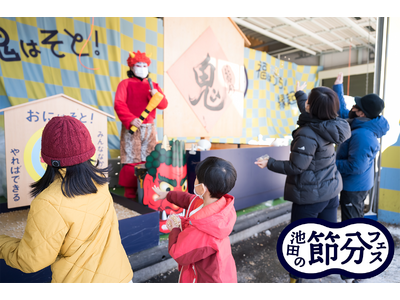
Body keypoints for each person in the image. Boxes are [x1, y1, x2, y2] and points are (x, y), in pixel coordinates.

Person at [0, 116, 133, 283]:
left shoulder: (48, 202)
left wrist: (2, 243)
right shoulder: (99, 181)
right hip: (121, 278)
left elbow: (31, 260)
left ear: (44, 159)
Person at [255, 82, 351, 283]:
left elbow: (296, 167)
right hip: (331, 190)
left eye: (308, 100)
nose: (305, 102)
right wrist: (300, 93)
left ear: (312, 107)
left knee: (298, 239)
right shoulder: (334, 124)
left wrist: (269, 163)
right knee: (327, 236)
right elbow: (310, 113)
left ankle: (296, 277)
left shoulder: (307, 133)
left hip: (310, 196)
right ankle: (328, 268)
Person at [333, 73, 389, 282]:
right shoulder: (363, 124)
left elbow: (355, 167)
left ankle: (355, 271)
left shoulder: (362, 135)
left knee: (352, 227)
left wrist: (329, 163)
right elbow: (343, 112)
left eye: (356, 107)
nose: (352, 108)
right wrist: (338, 87)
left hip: (354, 187)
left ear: (363, 113)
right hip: (357, 183)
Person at [152, 156, 238, 283]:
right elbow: (188, 199)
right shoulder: (217, 204)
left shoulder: (201, 229)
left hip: (206, 280)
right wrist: (167, 195)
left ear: (202, 188)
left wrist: (174, 229)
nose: (195, 179)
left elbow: (179, 253)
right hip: (224, 271)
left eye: (197, 178)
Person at [114, 50, 168, 199]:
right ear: (132, 67)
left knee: (149, 158)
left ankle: (148, 194)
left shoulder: (154, 85)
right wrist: (130, 119)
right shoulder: (124, 84)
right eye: (139, 65)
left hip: (149, 128)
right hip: (131, 127)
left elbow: (163, 104)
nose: (142, 68)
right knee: (131, 159)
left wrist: (155, 95)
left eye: (145, 65)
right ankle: (130, 196)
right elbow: (119, 103)